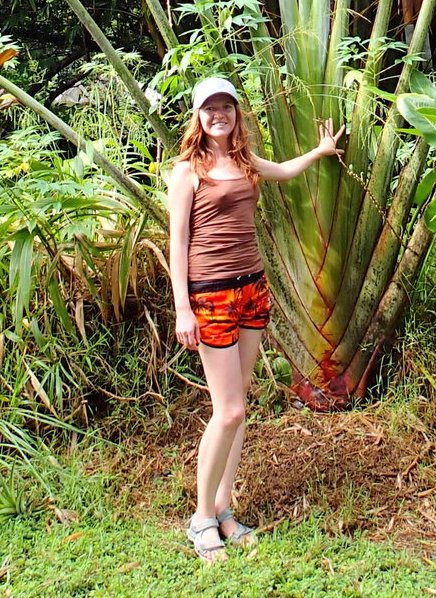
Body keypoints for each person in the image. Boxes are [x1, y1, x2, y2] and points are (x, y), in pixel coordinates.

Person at [166, 77, 344, 563]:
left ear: (236, 113)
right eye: (209, 108)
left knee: (239, 406)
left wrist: (320, 152)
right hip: (211, 296)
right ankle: (201, 519)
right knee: (228, 411)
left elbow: (283, 171)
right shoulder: (187, 172)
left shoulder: (244, 162)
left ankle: (223, 508)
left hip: (252, 289)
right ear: (197, 116)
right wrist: (182, 308)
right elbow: (178, 241)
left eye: (225, 107)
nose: (217, 115)